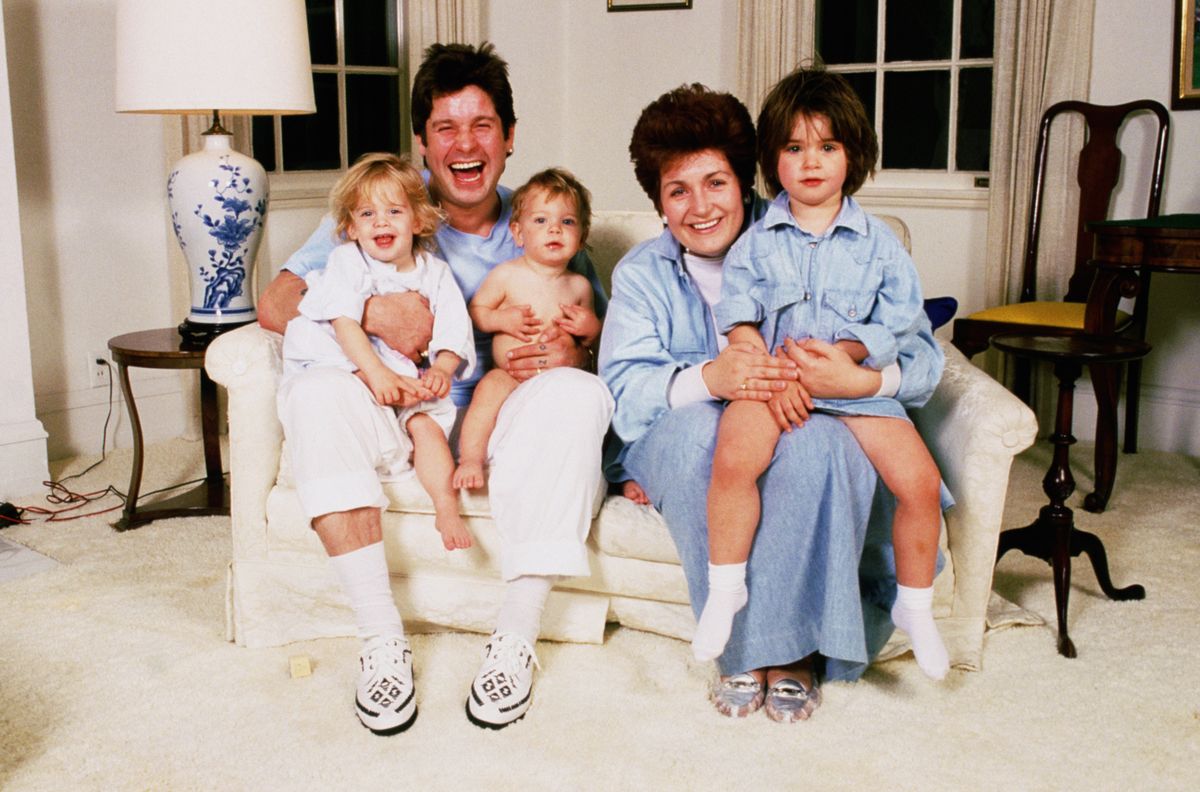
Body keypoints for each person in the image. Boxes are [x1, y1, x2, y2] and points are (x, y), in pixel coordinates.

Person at [261, 43, 613, 733]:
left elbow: (597, 341)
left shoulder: (545, 218)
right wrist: (372, 313)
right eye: (445, 128)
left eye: (482, 124)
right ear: (422, 143)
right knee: (313, 396)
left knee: (578, 398)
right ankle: (380, 641)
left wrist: (567, 343)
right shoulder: (383, 213)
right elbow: (277, 304)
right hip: (396, 409)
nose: (465, 143)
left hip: (503, 422)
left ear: (509, 138)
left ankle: (514, 639)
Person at [599, 83, 943, 723]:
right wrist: (714, 377)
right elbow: (623, 389)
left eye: (716, 183)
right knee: (712, 440)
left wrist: (861, 382)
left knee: (816, 445)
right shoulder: (642, 273)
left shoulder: (802, 232)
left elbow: (920, 353)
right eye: (678, 191)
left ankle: (792, 653)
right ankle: (743, 648)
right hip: (680, 423)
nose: (700, 207)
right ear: (659, 203)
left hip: (811, 410)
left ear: (747, 183)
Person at [696, 69, 949, 681]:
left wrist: (853, 359)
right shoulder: (755, 244)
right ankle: (725, 587)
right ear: (772, 161)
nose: (811, 162)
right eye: (794, 148)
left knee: (920, 482)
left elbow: (901, 320)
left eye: (827, 147)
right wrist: (760, 360)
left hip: (852, 389)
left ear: (853, 156)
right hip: (777, 384)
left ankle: (916, 606)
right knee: (733, 459)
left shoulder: (880, 244)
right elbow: (738, 314)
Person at [280, 153, 476, 551]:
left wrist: (442, 365)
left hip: (405, 384)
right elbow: (345, 325)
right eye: (367, 214)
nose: (381, 222)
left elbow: (454, 326)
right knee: (318, 353)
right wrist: (375, 374)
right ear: (351, 228)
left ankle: (445, 506)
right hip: (357, 369)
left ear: (418, 220)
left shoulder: (434, 272)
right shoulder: (347, 262)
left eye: (394, 211)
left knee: (427, 427)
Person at [453, 168, 600, 489]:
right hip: (508, 374)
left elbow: (590, 340)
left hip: (556, 379)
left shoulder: (579, 285)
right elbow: (476, 313)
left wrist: (589, 326)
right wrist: (501, 320)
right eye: (541, 221)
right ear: (518, 234)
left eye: (567, 222)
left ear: (581, 238)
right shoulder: (506, 275)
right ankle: (471, 459)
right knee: (487, 392)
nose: (555, 230)